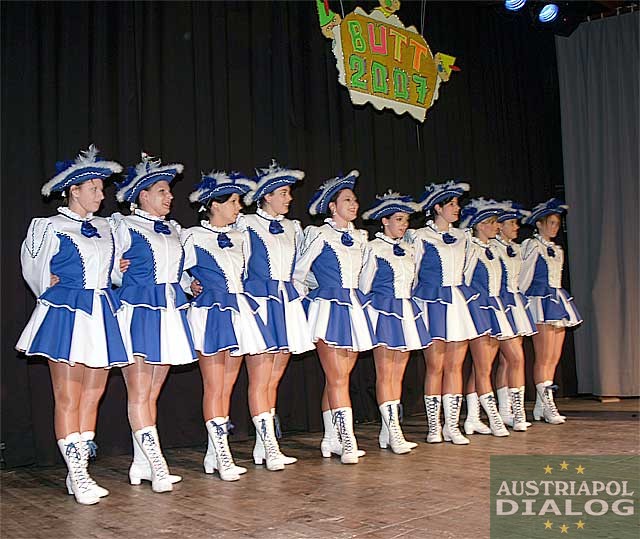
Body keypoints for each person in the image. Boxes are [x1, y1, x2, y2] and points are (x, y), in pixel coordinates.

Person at [17, 145, 131, 505]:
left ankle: (78, 469)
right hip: (68, 313)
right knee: (68, 394)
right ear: (73, 190)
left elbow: (112, 273)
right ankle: (78, 474)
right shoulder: (50, 226)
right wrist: (49, 285)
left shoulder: (106, 227)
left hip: (102, 311)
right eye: (93, 188)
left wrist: (117, 271)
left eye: (101, 189)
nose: (101, 195)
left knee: (94, 393)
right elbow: (34, 270)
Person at [182, 170, 276, 480]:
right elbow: (177, 271)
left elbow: (245, 273)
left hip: (238, 311)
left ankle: (215, 453)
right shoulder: (193, 236)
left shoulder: (241, 237)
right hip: (210, 312)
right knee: (214, 386)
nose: (239, 207)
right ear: (215, 204)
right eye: (234, 202)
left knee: (228, 386)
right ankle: (222, 454)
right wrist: (189, 285)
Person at [111, 152, 196, 493]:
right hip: (138, 311)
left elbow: (181, 271)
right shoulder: (123, 226)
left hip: (169, 311)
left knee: (151, 393)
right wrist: (116, 270)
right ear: (142, 195)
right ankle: (157, 463)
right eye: (162, 191)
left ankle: (141, 463)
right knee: (139, 391)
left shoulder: (174, 229)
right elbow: (107, 265)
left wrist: (191, 285)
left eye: (169, 191)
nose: (170, 196)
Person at [293, 171, 374, 464]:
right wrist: (310, 301)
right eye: (347, 200)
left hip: (353, 307)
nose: (354, 204)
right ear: (332, 206)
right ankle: (347, 439)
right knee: (338, 377)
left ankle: (331, 438)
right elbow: (300, 273)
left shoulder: (361, 237)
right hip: (328, 308)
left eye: (355, 200)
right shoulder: (320, 234)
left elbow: (366, 276)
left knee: (339, 378)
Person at [238, 161, 315, 469]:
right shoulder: (246, 224)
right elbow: (236, 263)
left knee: (273, 379)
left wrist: (301, 295)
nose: (289, 198)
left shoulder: (294, 228)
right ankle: (268, 444)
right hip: (259, 303)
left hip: (286, 303)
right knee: (260, 378)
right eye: (283, 193)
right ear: (266, 196)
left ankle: (265, 444)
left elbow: (301, 269)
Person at [408, 181, 489, 445]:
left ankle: (452, 426)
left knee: (455, 366)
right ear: (437, 207)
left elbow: (468, 270)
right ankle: (434, 426)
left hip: (457, 302)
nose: (457, 208)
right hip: (432, 302)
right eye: (451, 204)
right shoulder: (420, 236)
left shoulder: (464, 237)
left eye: (457, 204)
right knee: (435, 366)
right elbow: (412, 272)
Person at [360, 192, 431, 454]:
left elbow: (413, 282)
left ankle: (389, 431)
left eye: (406, 220)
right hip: (384, 311)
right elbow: (364, 284)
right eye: (399, 219)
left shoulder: (410, 249)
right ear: (384, 221)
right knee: (385, 372)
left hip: (405, 310)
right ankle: (393, 430)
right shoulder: (374, 248)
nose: (404, 225)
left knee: (398, 374)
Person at [519, 198, 582, 424]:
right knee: (544, 357)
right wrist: (521, 303)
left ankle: (541, 405)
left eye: (557, 224)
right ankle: (548, 405)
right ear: (539, 224)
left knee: (554, 357)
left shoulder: (557, 249)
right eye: (551, 223)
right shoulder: (532, 246)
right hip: (540, 301)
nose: (555, 228)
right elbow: (523, 278)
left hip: (557, 300)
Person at [459, 198, 514, 437]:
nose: (497, 226)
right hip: (479, 310)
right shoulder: (471, 249)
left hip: (494, 309)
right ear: (480, 225)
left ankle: (472, 417)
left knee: (485, 366)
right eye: (492, 222)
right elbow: (463, 279)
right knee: (482, 368)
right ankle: (494, 417)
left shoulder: (493, 250)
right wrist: (472, 306)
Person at [490, 202, 537, 430]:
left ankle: (507, 410)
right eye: (511, 223)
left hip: (515, 304)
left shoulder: (517, 249)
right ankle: (515, 412)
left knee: (508, 361)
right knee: (515, 359)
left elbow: (523, 279)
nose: (516, 227)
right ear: (499, 226)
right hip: (499, 304)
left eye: (517, 223)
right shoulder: (493, 248)